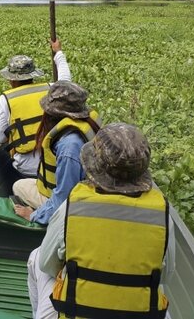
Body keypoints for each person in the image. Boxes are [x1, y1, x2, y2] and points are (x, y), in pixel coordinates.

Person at [27, 123, 175, 319]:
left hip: (77, 313)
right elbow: (165, 275)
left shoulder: (73, 206)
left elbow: (48, 264)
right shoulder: (161, 214)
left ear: (94, 166)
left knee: (36, 258)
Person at [12, 80, 101, 225]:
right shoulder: (86, 123)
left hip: (76, 204)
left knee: (18, 186)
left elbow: (64, 198)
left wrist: (34, 215)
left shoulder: (69, 145)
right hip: (88, 192)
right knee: (23, 184)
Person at [0, 40, 71, 177]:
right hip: (54, 160)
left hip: (26, 167)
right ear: (32, 76)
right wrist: (58, 52)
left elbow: (0, 137)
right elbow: (66, 81)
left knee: (16, 183)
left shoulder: (6, 99)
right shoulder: (49, 89)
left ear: (12, 79)